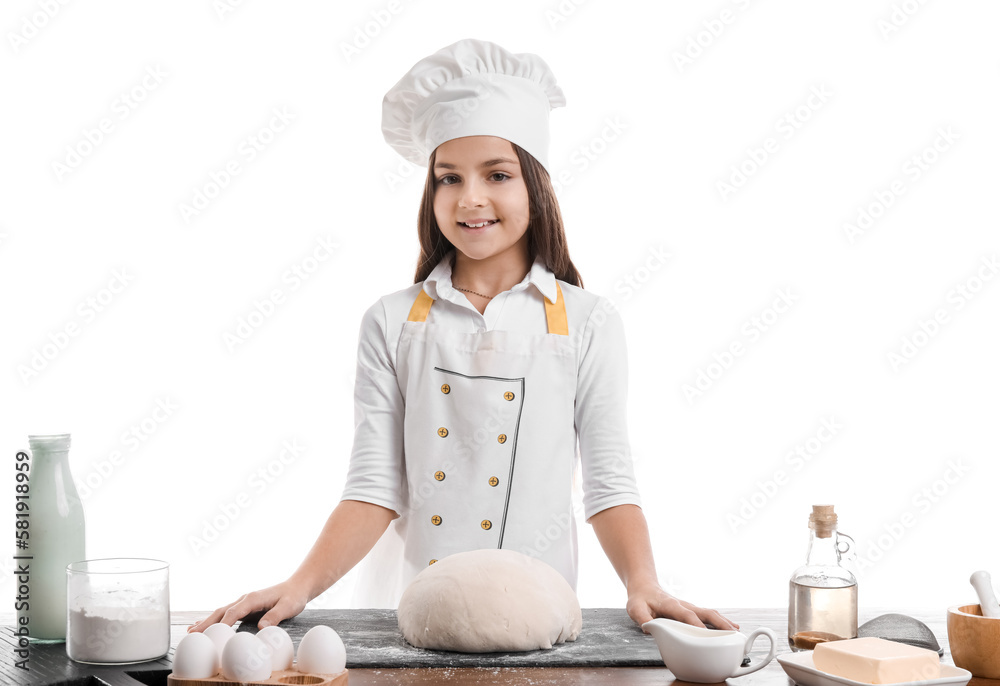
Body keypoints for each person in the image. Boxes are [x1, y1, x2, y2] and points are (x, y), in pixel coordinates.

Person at [189, 38, 737, 635]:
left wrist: (644, 583)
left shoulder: (588, 321)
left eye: (497, 174)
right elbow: (376, 486)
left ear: (536, 186)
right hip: (421, 614)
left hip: (541, 616)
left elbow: (608, 481)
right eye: (448, 178)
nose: (469, 198)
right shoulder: (391, 321)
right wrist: (297, 587)